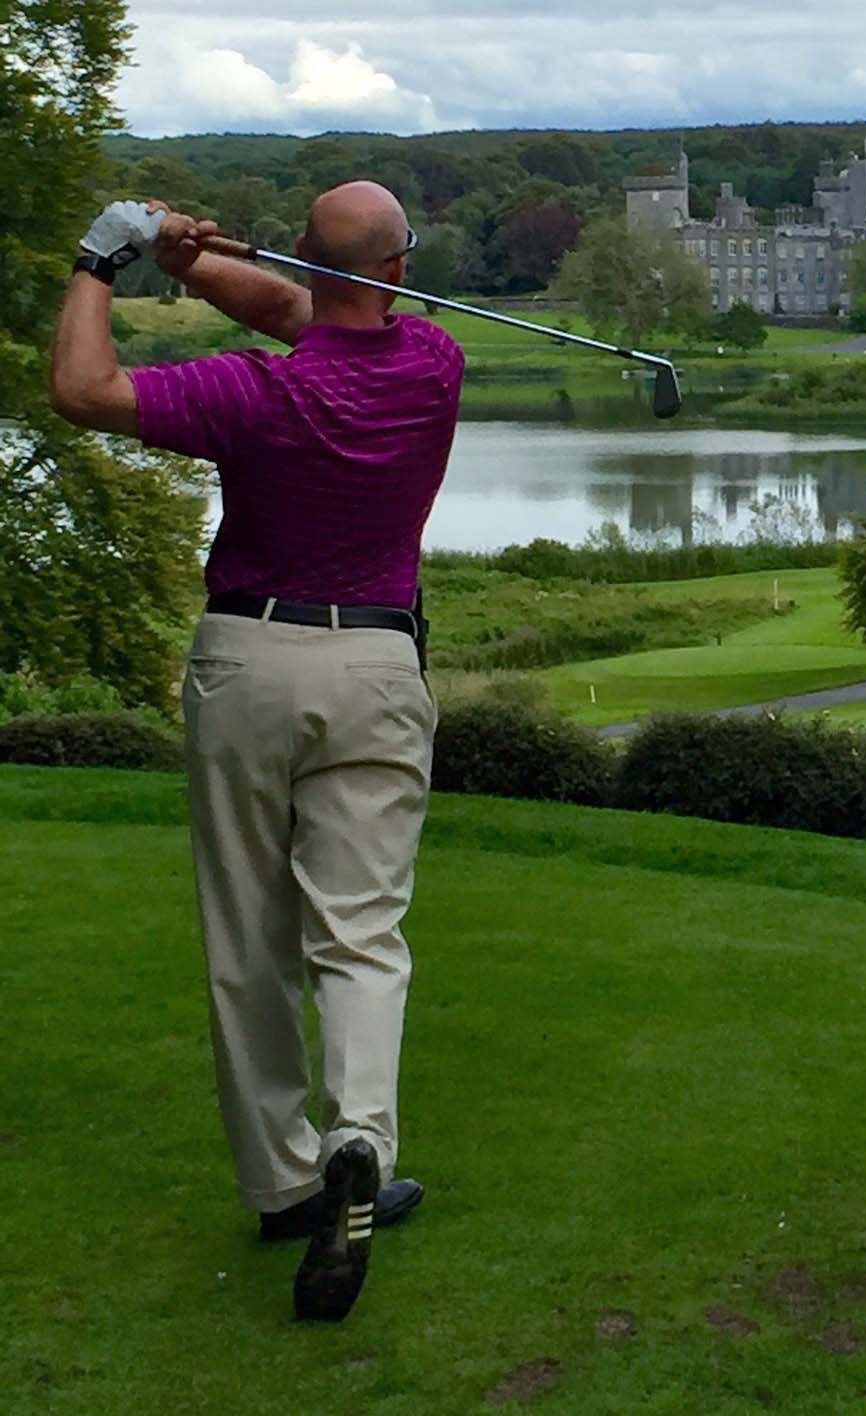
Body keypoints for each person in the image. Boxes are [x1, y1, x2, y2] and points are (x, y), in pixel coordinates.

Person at [49, 184, 465, 1322]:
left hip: (246, 661)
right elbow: (311, 307)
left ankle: (287, 1186)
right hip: (377, 668)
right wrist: (193, 265)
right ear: (400, 268)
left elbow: (84, 388)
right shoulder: (433, 364)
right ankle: (361, 1152)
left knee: (249, 939)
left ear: (315, 263)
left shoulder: (251, 393)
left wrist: (109, 261)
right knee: (362, 932)